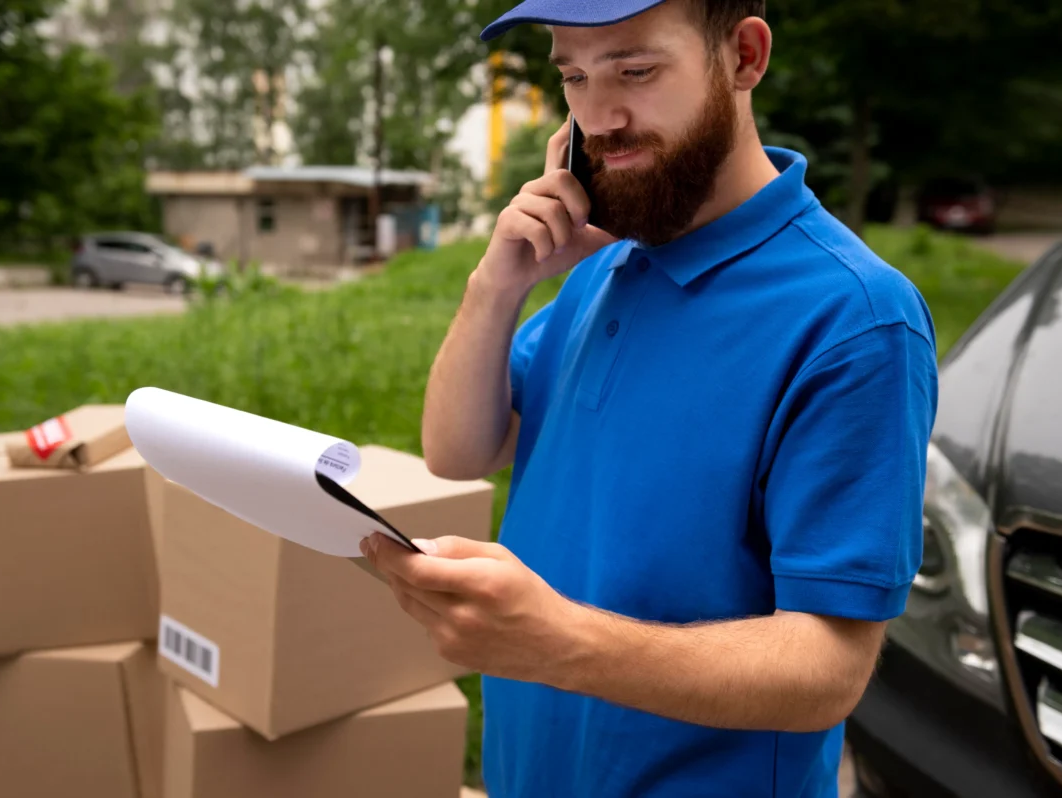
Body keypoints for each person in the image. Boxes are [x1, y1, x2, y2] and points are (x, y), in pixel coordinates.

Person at [360, 1, 939, 795]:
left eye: (635, 70)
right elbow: (459, 449)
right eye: (574, 76)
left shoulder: (855, 318)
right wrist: (498, 283)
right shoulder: (603, 271)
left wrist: (554, 640)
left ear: (743, 55)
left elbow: (829, 669)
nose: (600, 116)